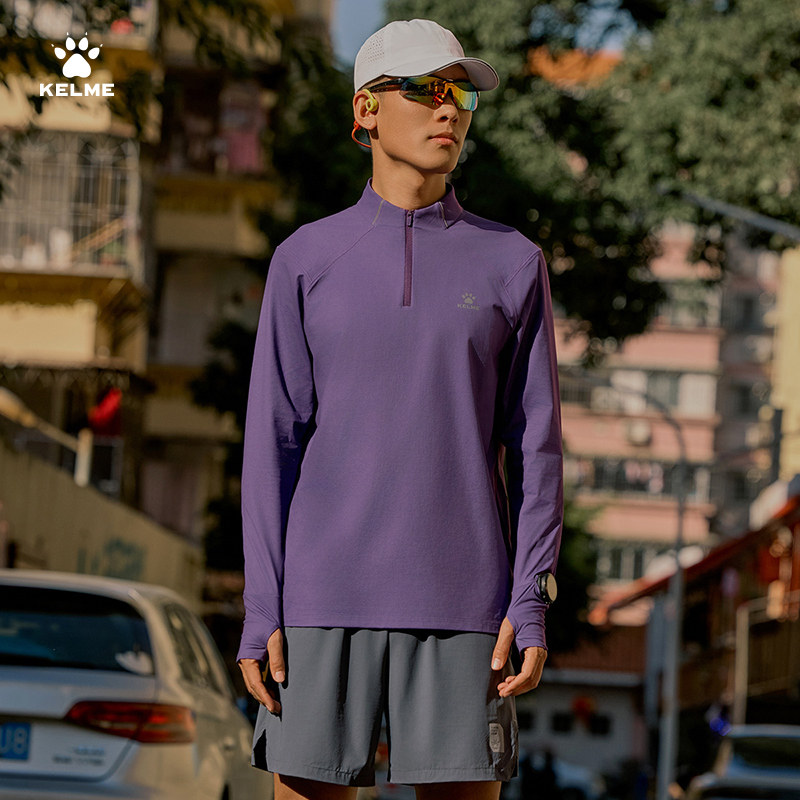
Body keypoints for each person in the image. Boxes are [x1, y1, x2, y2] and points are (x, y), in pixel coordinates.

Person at [237, 18, 564, 800]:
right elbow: (272, 445)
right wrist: (261, 604)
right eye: (424, 89)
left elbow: (540, 449)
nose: (449, 108)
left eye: (461, 94)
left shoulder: (514, 263)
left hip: (467, 609)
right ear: (367, 110)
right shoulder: (305, 260)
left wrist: (530, 595)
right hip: (317, 605)